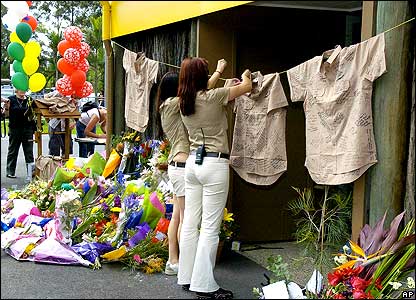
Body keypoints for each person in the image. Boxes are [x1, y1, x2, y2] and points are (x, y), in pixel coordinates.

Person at [177, 57, 252, 299]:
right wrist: (247, 75)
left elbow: (205, 88)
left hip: (192, 166)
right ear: (202, 77)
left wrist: (219, 72)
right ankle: (204, 284)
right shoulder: (215, 96)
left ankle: (186, 277)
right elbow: (247, 87)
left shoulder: (183, 102)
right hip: (214, 164)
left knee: (190, 223)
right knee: (210, 227)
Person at [157, 72, 190, 276]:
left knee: (178, 216)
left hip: (176, 165)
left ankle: (173, 261)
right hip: (181, 165)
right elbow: (197, 97)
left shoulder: (165, 105)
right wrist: (218, 74)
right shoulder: (171, 104)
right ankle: (184, 264)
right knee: (185, 218)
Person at [5, 89, 37, 181]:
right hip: (15, 129)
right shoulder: (11, 99)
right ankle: (10, 171)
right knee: (13, 150)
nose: (22, 91)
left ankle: (31, 173)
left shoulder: (30, 100)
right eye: (20, 89)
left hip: (28, 129)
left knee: (29, 152)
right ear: (16, 90)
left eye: (24, 89)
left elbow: (34, 114)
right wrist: (7, 107)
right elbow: (6, 115)